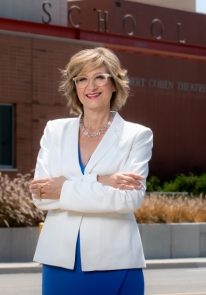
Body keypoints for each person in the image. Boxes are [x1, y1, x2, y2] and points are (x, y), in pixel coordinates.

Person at [29, 47, 153, 295]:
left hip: (115, 260)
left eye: (100, 77)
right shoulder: (55, 131)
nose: (91, 86)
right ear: (75, 87)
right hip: (59, 260)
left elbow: (129, 199)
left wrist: (64, 188)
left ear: (114, 84)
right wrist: (102, 180)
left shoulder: (136, 135)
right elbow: (41, 195)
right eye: (82, 79)